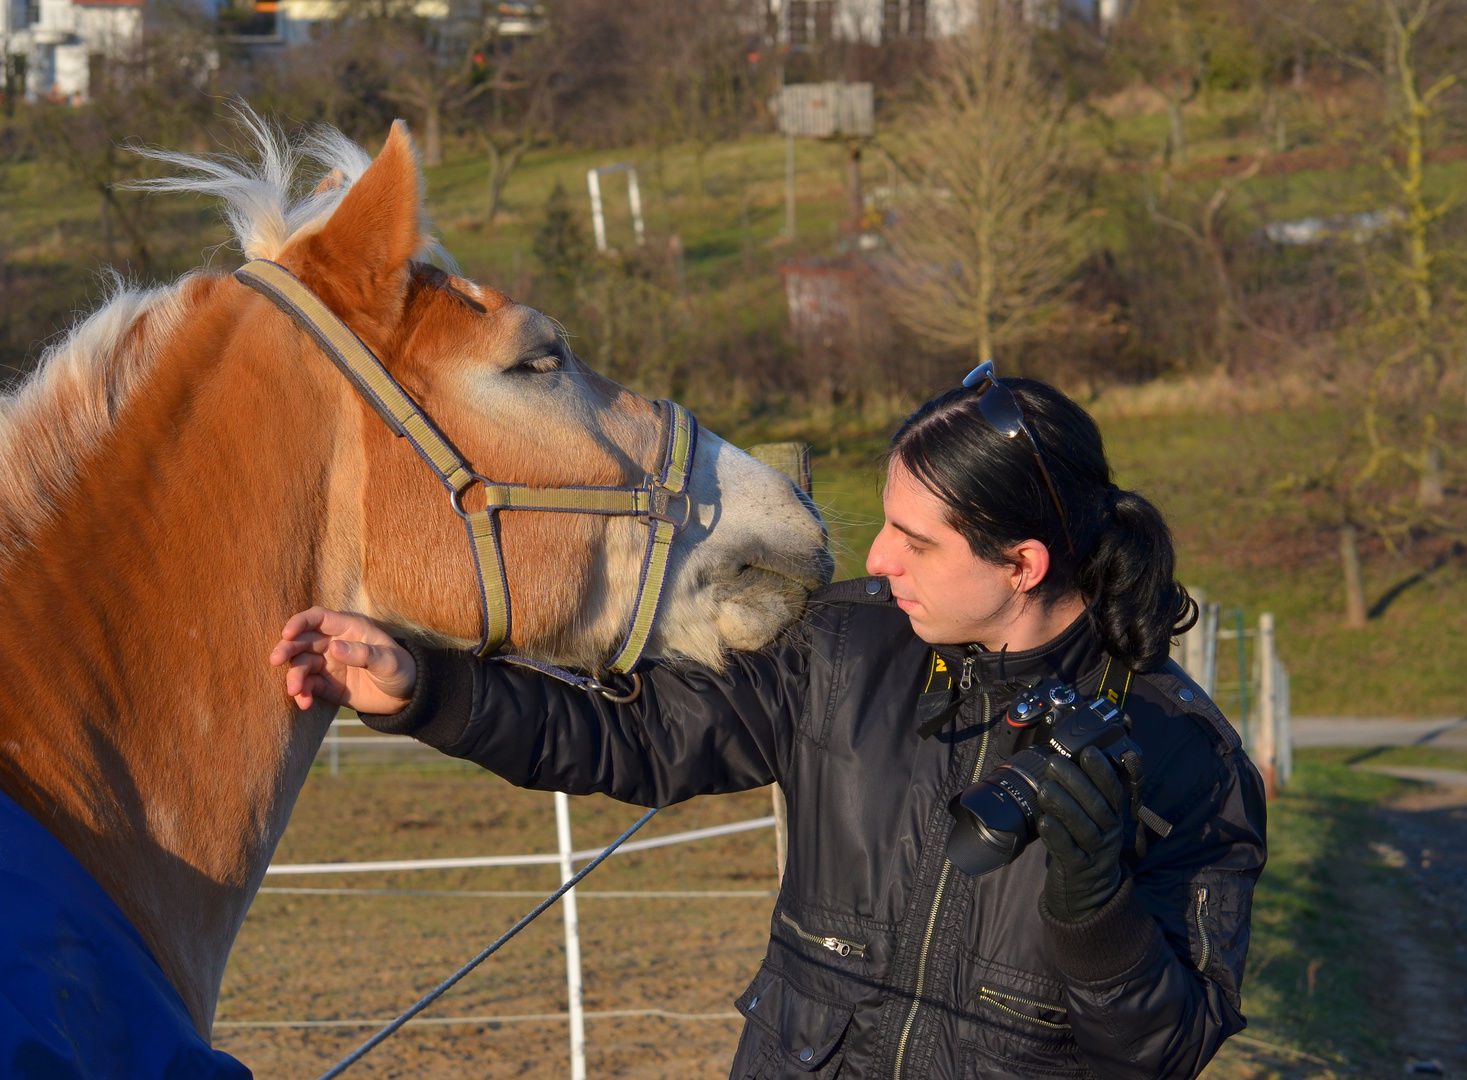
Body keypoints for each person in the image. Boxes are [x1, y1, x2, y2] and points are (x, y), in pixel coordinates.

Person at [271, 364, 1267, 1080]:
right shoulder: (840, 648)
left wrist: (1094, 911)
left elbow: (1167, 1047)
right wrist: (425, 689)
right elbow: (636, 736)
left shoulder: (1185, 759)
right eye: (884, 521)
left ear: (1021, 564)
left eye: (915, 542)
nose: (874, 558)